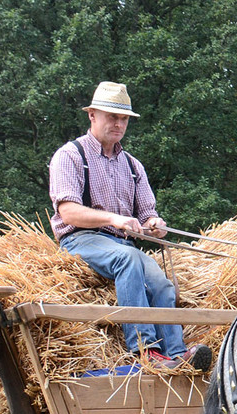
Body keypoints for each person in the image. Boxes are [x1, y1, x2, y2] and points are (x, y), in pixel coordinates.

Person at [49, 81, 211, 371]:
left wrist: (155, 225)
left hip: (123, 243)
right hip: (81, 241)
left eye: (123, 119)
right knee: (129, 259)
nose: (118, 124)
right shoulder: (71, 156)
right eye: (112, 117)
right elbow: (69, 212)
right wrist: (113, 218)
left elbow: (148, 214)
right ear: (92, 115)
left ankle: (177, 355)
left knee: (162, 284)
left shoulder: (134, 166)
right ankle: (145, 350)